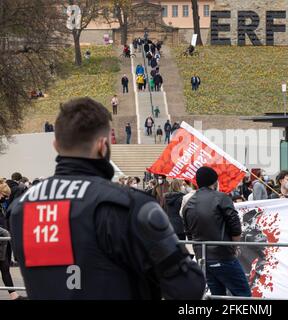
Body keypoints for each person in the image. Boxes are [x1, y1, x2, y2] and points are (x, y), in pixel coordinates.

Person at [7, 97, 205, 299]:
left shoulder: (20, 208)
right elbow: (188, 286)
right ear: (103, 146)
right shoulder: (130, 205)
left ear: (56, 145)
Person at [182, 166, 251, 297]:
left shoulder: (188, 204)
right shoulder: (221, 197)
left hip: (202, 257)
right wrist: (233, 246)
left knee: (216, 294)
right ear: (215, 182)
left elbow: (188, 233)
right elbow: (235, 226)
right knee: (243, 294)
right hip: (223, 254)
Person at [0, 181, 21, 300]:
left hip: (3, 242)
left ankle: (13, 295)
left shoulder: (1, 205)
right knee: (4, 267)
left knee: (5, 267)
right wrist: (5, 232)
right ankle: (14, 295)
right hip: (2, 239)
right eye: (4, 196)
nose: (6, 198)